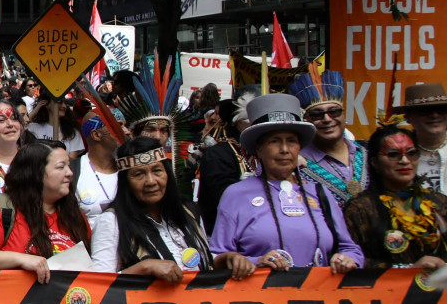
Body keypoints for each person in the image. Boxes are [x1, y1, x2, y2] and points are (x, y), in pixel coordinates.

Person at [208, 93, 364, 272]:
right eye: (275, 141)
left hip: (317, 296)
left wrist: (346, 259)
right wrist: (253, 261)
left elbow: (351, 249)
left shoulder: (319, 192)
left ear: (300, 147)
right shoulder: (237, 194)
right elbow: (216, 256)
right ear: (259, 148)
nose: (284, 150)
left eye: (291, 141)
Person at [90, 137, 250, 278]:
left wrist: (224, 260)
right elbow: (100, 285)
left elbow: (199, 262)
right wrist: (144, 268)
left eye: (157, 171)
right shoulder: (111, 221)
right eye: (139, 174)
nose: (151, 181)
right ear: (126, 182)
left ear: (167, 174)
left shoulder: (188, 211)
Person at [0, 140, 91, 282]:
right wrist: (21, 259)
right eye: (61, 167)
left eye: (69, 166)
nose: (70, 173)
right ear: (36, 173)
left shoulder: (76, 217)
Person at [344, 125, 447, 270]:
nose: (405, 160)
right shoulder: (360, 208)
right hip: (386, 290)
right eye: (393, 154)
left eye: (412, 153)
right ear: (375, 162)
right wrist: (409, 270)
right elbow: (355, 260)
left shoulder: (439, 203)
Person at [289, 68, 368, 205]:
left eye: (334, 112)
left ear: (343, 115)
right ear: (306, 119)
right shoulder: (296, 164)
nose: (327, 119)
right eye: (317, 115)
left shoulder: (366, 154)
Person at [197, 89, 258, 234]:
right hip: (225, 235)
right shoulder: (218, 154)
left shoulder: (262, 154)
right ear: (237, 122)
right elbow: (223, 200)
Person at [72, 107, 125, 223]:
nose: (126, 131)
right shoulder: (72, 173)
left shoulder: (130, 170)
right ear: (96, 135)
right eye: (118, 126)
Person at [400, 83, 447, 194]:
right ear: (408, 117)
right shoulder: (397, 156)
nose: (435, 115)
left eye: (441, 109)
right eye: (425, 110)